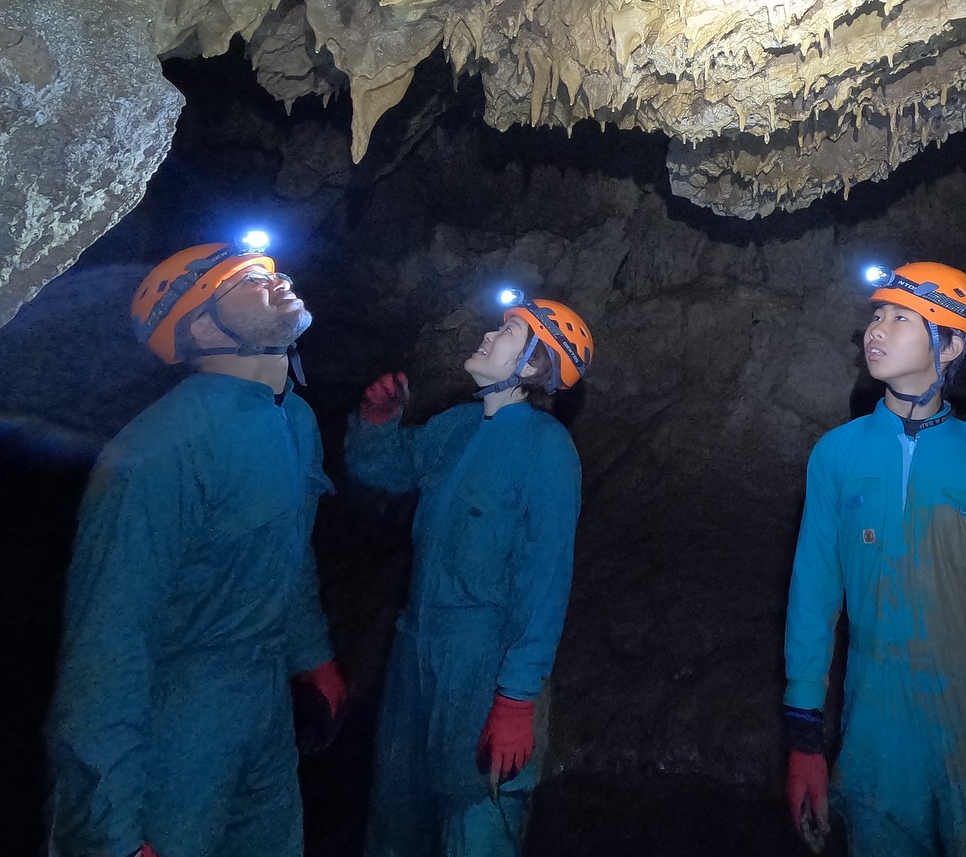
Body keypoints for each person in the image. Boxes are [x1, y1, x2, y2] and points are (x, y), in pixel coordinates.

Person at [47, 236, 346, 857]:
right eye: (244, 281)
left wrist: (311, 656)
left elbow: (291, 554)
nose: (276, 277)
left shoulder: (295, 419)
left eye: (269, 268)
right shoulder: (158, 451)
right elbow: (108, 644)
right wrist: (111, 832)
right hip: (175, 717)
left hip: (261, 701)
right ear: (203, 330)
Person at [782, 261, 966, 857]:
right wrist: (803, 733)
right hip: (875, 723)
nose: (876, 329)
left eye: (900, 317)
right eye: (876, 315)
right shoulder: (835, 455)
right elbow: (814, 592)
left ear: (951, 345)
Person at [347, 287, 592, 857]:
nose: (488, 334)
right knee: (397, 815)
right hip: (419, 648)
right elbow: (384, 467)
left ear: (533, 365)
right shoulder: (456, 427)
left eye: (507, 334)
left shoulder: (547, 450)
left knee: (475, 820)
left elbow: (545, 581)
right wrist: (377, 422)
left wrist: (516, 698)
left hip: (484, 661)